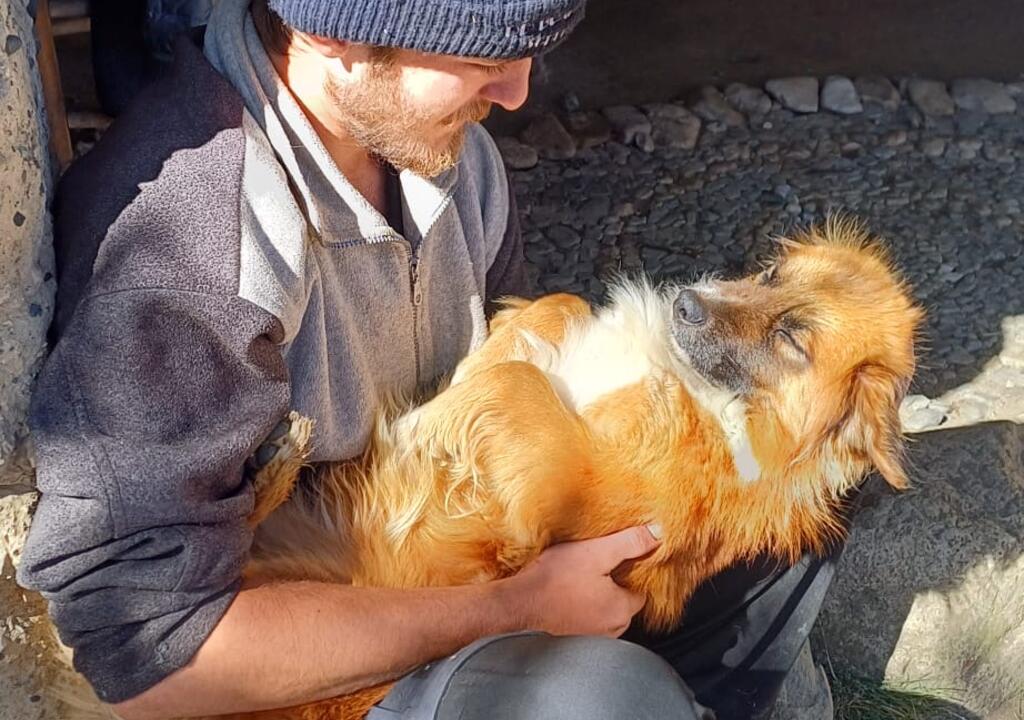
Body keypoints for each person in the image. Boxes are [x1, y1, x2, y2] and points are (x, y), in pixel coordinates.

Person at [18, 1, 839, 718]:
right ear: (333, 35)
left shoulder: (443, 155)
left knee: (790, 515)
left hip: (462, 558)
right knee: (600, 700)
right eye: (482, 59)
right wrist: (518, 608)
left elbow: (513, 409)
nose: (518, 92)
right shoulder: (194, 248)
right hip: (311, 677)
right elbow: (151, 663)